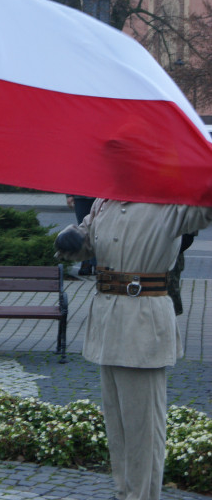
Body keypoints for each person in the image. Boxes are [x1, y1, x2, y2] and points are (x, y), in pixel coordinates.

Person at [55, 199, 212, 500]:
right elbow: (84, 240)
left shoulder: (169, 203)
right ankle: (123, 492)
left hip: (143, 324)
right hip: (107, 322)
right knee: (118, 426)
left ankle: (142, 496)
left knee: (144, 431)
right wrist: (67, 239)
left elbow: (204, 209)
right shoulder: (105, 202)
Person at [65, 194, 96, 274]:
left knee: (97, 228)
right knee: (82, 229)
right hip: (80, 196)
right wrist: (69, 194)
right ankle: (85, 262)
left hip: (99, 195)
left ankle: (97, 263)